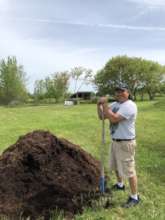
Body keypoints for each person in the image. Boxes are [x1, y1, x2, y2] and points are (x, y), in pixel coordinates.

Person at [97, 84, 140, 208]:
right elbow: (102, 116)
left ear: (128, 92)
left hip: (126, 142)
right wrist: (98, 105)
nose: (119, 93)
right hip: (115, 141)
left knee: (129, 170)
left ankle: (134, 197)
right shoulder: (115, 105)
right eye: (117, 91)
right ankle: (120, 185)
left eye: (122, 91)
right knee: (115, 165)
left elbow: (114, 119)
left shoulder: (130, 105)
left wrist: (104, 105)